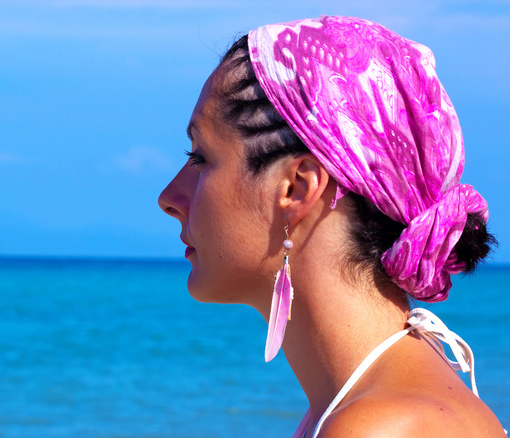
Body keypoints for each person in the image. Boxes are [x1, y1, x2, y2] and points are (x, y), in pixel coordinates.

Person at [158, 16, 506, 437]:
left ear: (297, 187)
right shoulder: (372, 403)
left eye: (200, 158)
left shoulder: (379, 426)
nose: (169, 197)